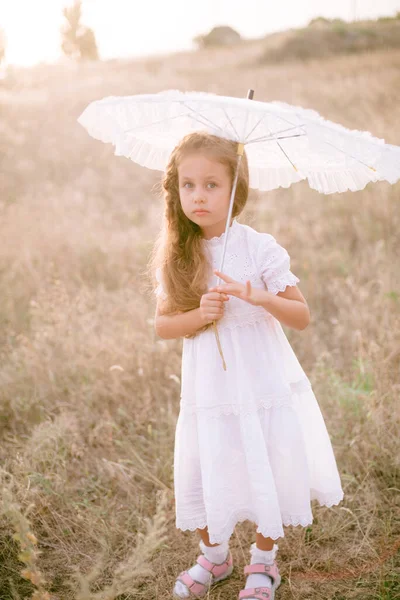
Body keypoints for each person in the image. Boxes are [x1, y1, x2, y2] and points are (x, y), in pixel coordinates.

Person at [149, 131, 344, 600]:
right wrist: (201, 314)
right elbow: (162, 326)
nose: (198, 196)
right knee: (207, 460)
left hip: (260, 379)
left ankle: (263, 562)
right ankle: (214, 558)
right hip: (209, 389)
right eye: (189, 185)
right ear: (175, 190)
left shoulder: (259, 248)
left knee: (267, 459)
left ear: (237, 188)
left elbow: (302, 316)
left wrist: (257, 295)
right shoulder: (177, 252)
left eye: (212, 185)